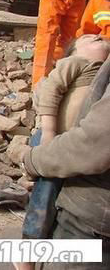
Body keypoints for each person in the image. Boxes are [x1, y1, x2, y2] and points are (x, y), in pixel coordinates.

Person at [15, 34, 110, 270]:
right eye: (88, 38)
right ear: (75, 51)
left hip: (69, 151)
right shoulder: (76, 64)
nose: (98, 36)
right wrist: (47, 132)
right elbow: (49, 90)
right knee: (42, 205)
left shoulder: (100, 70)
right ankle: (27, 257)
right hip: (53, 144)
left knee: (51, 208)